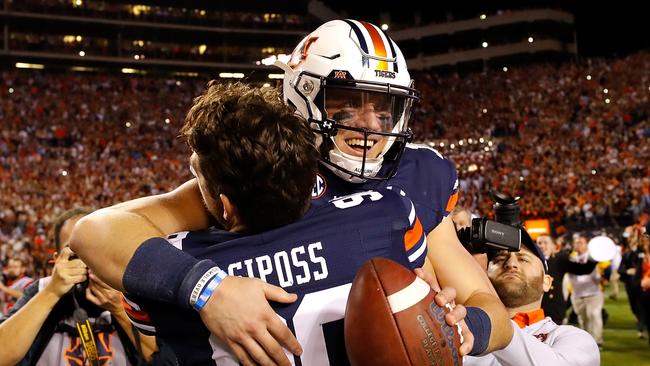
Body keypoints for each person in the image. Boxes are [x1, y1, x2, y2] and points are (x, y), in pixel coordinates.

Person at [71, 20, 512, 365]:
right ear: (302, 96)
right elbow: (97, 232)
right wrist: (209, 290)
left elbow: (488, 308)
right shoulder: (270, 168)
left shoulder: (418, 173)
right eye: (348, 102)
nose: (369, 125)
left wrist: (465, 327)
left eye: (384, 107)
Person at [117, 81, 473, 364]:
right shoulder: (389, 213)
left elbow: (110, 240)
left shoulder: (181, 259)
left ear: (226, 206)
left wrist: (206, 289)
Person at [0, 208, 162, 365]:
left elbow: (165, 358)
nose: (87, 261)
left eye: (94, 249)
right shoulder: (43, 289)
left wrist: (120, 311)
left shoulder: (128, 291)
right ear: (57, 260)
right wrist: (51, 293)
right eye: (75, 252)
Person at [460, 236, 600, 365]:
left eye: (523, 259)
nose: (511, 263)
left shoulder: (575, 339)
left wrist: (492, 321)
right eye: (500, 259)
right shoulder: (460, 329)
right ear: (486, 276)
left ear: (546, 282)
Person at [536, 234, 597, 324]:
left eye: (545, 242)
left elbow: (582, 269)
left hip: (554, 309)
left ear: (554, 246)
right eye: (539, 243)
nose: (542, 245)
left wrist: (595, 258)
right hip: (536, 307)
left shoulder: (559, 260)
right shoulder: (531, 261)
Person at [567, 232, 605, 347]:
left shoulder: (593, 257)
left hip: (593, 293)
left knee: (594, 314)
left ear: (587, 244)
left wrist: (601, 278)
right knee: (583, 319)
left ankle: (598, 341)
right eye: (576, 242)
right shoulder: (570, 258)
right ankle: (589, 341)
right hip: (577, 294)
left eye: (581, 242)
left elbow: (597, 276)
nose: (578, 245)